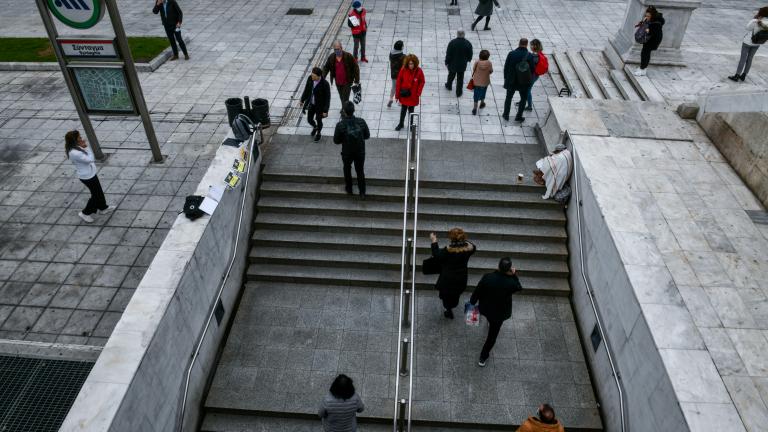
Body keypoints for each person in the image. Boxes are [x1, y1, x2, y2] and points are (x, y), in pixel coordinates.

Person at [469, 257, 521, 366]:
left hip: (486, 308)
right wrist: (514, 275)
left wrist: (472, 302)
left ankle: (489, 321)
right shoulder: (511, 283)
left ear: (498, 266)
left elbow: (478, 291)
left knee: (490, 319)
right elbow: (519, 287)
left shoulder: (488, 277)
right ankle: (483, 357)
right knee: (492, 336)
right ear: (509, 269)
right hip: (499, 314)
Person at [65, 130, 114, 223]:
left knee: (98, 192)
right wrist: (86, 148)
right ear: (74, 140)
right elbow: (90, 159)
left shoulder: (76, 148)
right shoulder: (75, 152)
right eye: (79, 138)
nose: (81, 139)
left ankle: (103, 208)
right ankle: (85, 213)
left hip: (90, 174)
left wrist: (83, 147)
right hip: (87, 177)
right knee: (95, 195)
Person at [429, 228, 476, 319]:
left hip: (448, 279)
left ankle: (448, 308)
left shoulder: (448, 251)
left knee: (446, 296)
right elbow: (473, 246)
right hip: (461, 278)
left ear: (451, 238)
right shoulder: (469, 249)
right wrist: (463, 241)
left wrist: (434, 240)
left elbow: (437, 255)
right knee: (455, 294)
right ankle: (451, 306)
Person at [333, 102, 370, 199]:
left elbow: (336, 141)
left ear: (344, 112)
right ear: (353, 110)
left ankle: (349, 189)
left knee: (347, 169)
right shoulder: (361, 121)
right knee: (360, 171)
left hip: (347, 152)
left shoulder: (340, 125)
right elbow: (367, 135)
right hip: (360, 151)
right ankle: (362, 192)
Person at [728, 7, 768, 82]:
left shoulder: (755, 21)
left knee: (743, 59)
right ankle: (744, 75)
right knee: (750, 59)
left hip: (747, 42)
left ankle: (737, 75)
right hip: (757, 43)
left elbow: (747, 28)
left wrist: (755, 19)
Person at [502, 38, 535, 122]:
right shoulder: (530, 56)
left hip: (511, 80)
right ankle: (518, 116)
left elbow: (506, 67)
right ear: (526, 44)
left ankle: (506, 115)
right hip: (523, 81)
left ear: (519, 43)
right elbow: (532, 69)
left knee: (508, 98)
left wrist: (506, 78)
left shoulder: (511, 54)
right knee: (523, 98)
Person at [323, 41, 361, 107]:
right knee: (341, 97)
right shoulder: (332, 57)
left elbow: (356, 68)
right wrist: (322, 77)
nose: (337, 51)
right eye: (335, 49)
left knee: (345, 97)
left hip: (347, 81)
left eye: (338, 49)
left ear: (341, 48)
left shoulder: (348, 56)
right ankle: (344, 108)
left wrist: (357, 80)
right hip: (338, 82)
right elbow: (326, 67)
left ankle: (345, 111)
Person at [394, 54, 426, 131]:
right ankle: (401, 124)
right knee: (403, 111)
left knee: (411, 111)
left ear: (415, 63)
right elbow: (398, 82)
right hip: (404, 95)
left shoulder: (419, 71)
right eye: (409, 63)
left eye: (412, 63)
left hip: (413, 96)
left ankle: (411, 125)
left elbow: (422, 82)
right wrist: (397, 95)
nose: (410, 65)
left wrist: (418, 92)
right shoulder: (403, 70)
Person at [300, 67, 331, 142]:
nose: (312, 76)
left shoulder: (325, 84)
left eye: (314, 75)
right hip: (311, 104)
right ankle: (315, 127)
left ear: (319, 76)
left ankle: (318, 133)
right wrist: (302, 100)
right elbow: (306, 89)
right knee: (309, 119)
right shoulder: (310, 79)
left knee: (319, 120)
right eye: (312, 74)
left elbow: (328, 98)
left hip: (320, 106)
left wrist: (325, 110)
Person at [633, 6, 665, 76]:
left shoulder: (656, 23)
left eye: (648, 16)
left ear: (652, 16)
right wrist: (641, 23)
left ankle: (643, 69)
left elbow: (655, 32)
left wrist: (649, 30)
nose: (647, 17)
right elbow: (646, 23)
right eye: (646, 15)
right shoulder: (651, 19)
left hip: (653, 40)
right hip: (649, 39)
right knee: (644, 53)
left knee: (645, 54)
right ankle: (642, 68)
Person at [444, 30, 474, 97]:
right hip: (462, 65)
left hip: (453, 64)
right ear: (464, 34)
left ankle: (449, 85)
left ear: (457, 34)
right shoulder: (468, 43)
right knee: (460, 78)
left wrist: (446, 62)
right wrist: (468, 59)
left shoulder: (452, 43)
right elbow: (470, 54)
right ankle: (459, 92)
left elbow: (448, 54)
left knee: (451, 75)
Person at [524, 39, 547, 111]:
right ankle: (524, 101)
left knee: (527, 90)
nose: (530, 46)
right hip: (536, 75)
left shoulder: (534, 57)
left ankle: (529, 106)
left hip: (532, 76)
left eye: (531, 45)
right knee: (526, 89)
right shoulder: (540, 54)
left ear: (534, 46)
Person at [470, 50, 493, 115]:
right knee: (483, 92)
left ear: (480, 55)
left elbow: (474, 69)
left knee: (476, 94)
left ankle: (475, 108)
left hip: (477, 82)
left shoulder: (477, 62)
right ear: (488, 56)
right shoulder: (489, 63)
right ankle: (482, 103)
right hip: (485, 82)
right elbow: (491, 71)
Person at [388, 40, 406, 108]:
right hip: (401, 75)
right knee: (401, 87)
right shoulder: (403, 56)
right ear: (401, 47)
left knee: (394, 87)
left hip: (393, 74)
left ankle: (390, 98)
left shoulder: (391, 53)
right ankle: (400, 101)